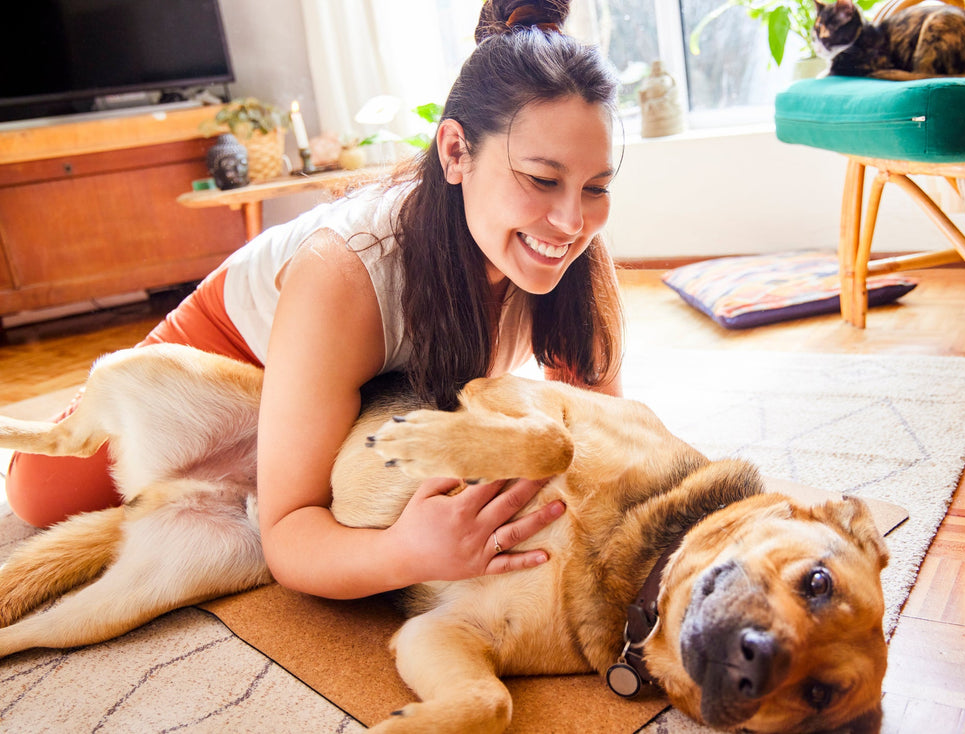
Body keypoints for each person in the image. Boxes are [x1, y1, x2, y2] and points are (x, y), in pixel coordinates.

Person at [5, 0, 625, 601]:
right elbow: (288, 534)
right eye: (542, 180)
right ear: (456, 151)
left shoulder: (572, 255)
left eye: (595, 186)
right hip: (231, 350)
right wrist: (407, 553)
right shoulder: (347, 270)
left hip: (348, 372)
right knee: (38, 496)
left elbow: (606, 437)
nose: (571, 221)